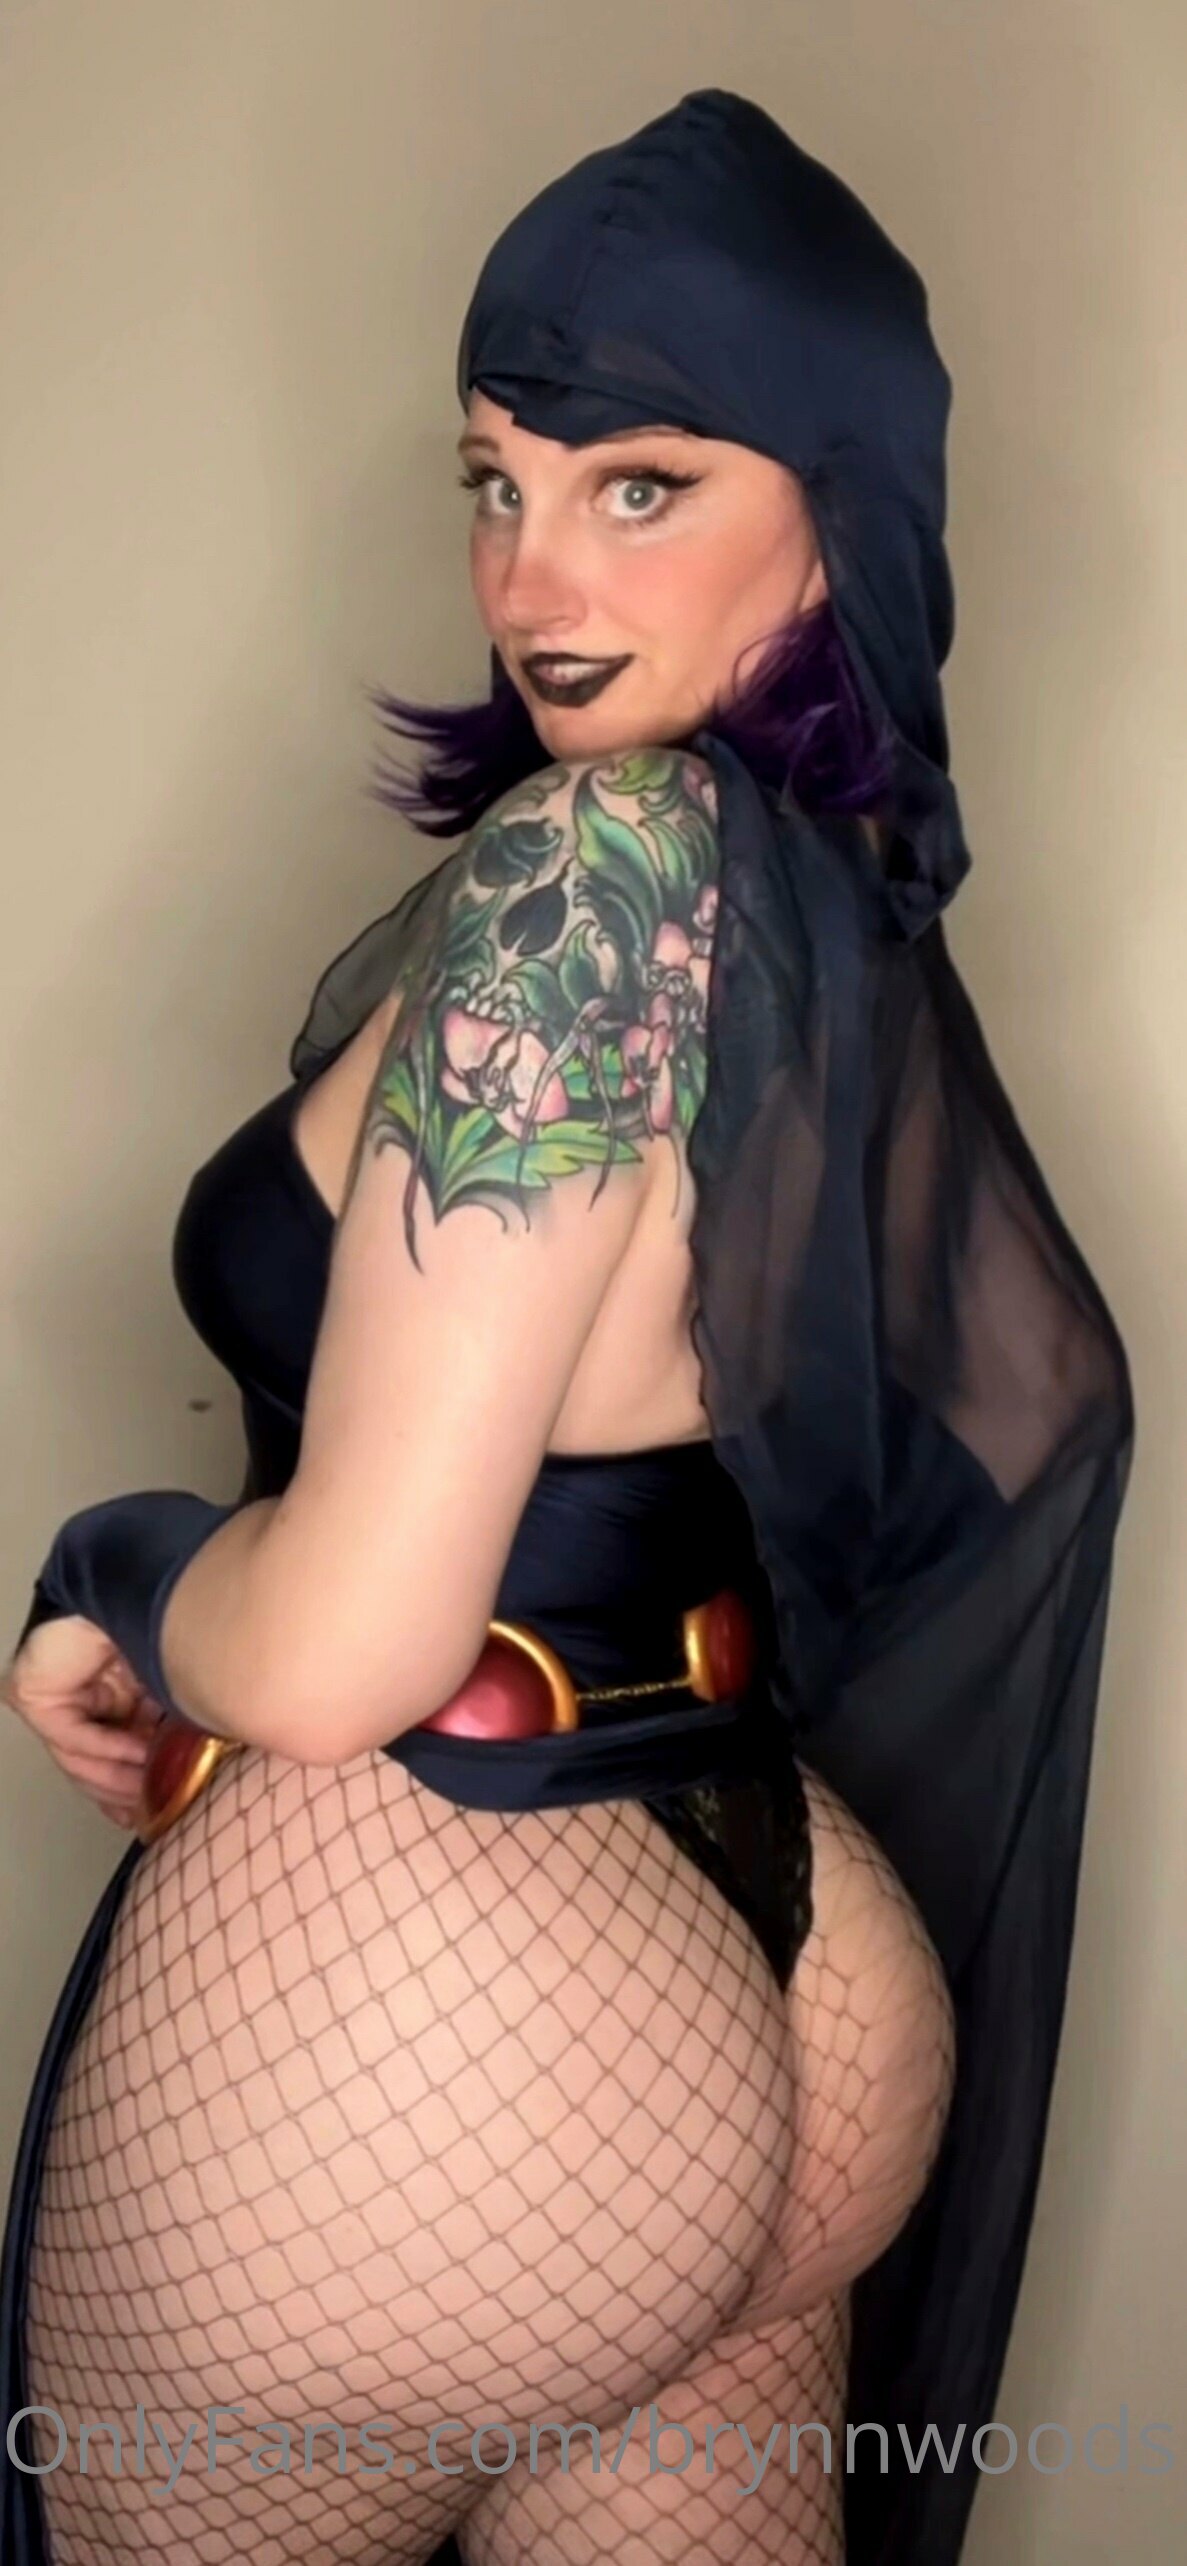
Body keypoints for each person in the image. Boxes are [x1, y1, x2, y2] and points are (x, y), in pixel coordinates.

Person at [0, 86, 1133, 2566]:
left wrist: (115, 1572)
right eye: (493, 480)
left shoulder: (584, 878)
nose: (532, 574)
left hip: (447, 1991)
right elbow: (983, 1411)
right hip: (796, 1969)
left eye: (640, 482)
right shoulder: (821, 896)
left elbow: (342, 1648)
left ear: (838, 496)